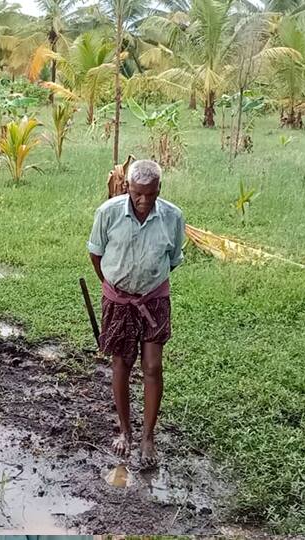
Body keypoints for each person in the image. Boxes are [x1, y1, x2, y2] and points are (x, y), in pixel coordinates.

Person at [87, 159, 185, 468]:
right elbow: (96, 253)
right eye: (138, 193)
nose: (144, 201)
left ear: (159, 190)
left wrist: (145, 285)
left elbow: (172, 259)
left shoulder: (172, 217)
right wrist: (113, 287)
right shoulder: (108, 213)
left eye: (151, 194)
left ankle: (148, 436)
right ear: (127, 187)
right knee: (122, 363)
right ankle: (125, 432)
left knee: (153, 366)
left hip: (154, 299)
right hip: (118, 300)